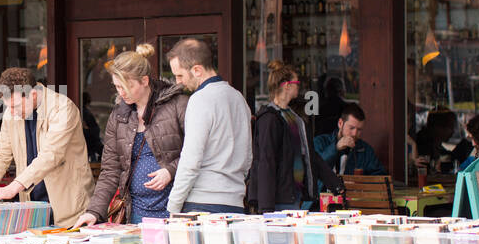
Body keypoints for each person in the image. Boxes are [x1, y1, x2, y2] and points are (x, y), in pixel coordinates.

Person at [77, 45, 187, 226]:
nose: (121, 92)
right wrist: (94, 211)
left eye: (127, 86)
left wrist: (170, 170)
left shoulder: (178, 105)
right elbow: (110, 170)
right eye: (117, 86)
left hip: (176, 211)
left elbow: (198, 153)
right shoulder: (118, 116)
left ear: (144, 80)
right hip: (136, 213)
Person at [0, 67, 92, 226]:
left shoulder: (63, 108)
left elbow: (50, 156)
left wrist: (11, 189)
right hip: (32, 209)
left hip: (69, 208)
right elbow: (0, 154)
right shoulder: (11, 114)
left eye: (15, 106)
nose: (11, 112)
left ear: (33, 95)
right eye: (8, 106)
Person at [165, 37, 254, 215]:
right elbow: (248, 157)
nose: (178, 82)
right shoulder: (238, 98)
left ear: (197, 69)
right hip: (235, 202)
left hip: (202, 203)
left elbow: (191, 160)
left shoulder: (200, 99)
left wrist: (173, 207)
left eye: (180, 75)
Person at [251, 60, 342, 212]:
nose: (299, 86)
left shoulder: (294, 118)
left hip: (293, 195)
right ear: (287, 86)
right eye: (297, 83)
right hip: (278, 198)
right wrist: (266, 206)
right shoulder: (270, 118)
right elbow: (266, 161)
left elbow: (309, 155)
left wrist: (334, 183)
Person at [313, 102, 386, 181]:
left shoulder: (365, 149)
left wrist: (360, 184)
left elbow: (379, 176)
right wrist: (335, 148)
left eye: (359, 130)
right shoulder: (320, 142)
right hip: (323, 193)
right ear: (340, 123)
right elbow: (315, 169)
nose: (354, 133)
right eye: (351, 128)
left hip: (354, 192)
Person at [413, 108, 472, 174]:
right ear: (437, 127)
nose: (452, 131)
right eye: (450, 127)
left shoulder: (437, 147)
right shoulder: (422, 146)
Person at [80, 91, 104, 162]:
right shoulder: (86, 113)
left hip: (87, 146)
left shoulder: (83, 112)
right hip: (90, 146)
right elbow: (94, 131)